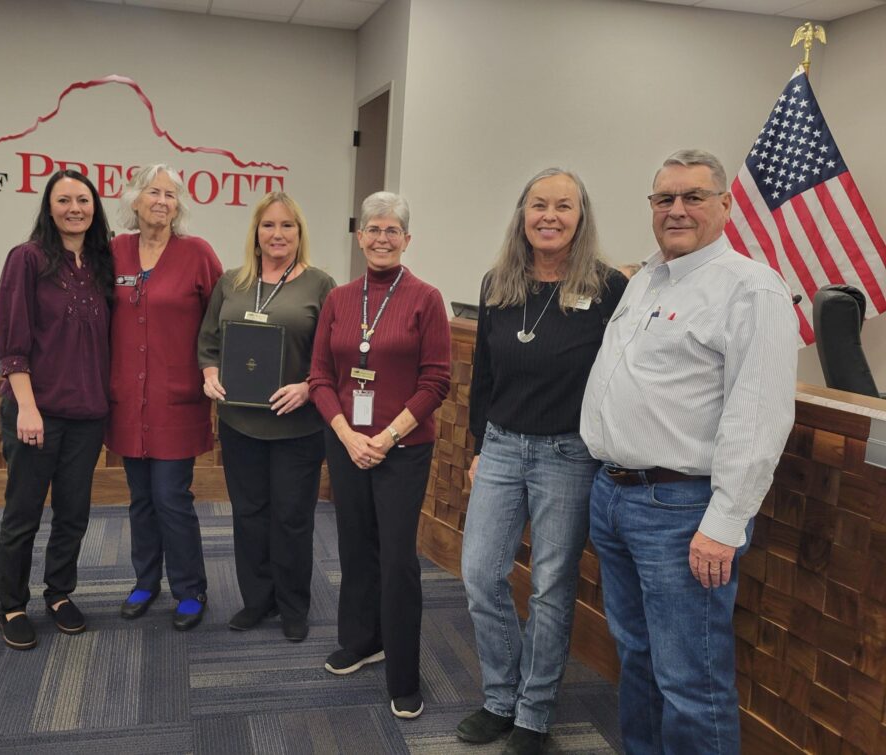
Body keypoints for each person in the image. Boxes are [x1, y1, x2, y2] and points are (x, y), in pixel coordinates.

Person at [581, 149, 797, 753]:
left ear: (725, 205)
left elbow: (759, 417)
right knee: (638, 658)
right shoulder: (646, 277)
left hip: (681, 511)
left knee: (690, 680)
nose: (676, 209)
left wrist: (725, 524)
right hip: (615, 496)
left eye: (693, 196)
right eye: (664, 198)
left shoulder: (751, 289)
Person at [457, 168, 628, 754]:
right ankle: (499, 698)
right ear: (522, 213)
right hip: (502, 446)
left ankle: (533, 712)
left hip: (568, 455)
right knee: (481, 575)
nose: (549, 216)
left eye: (563, 206)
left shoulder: (607, 288)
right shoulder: (498, 282)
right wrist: (479, 447)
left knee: (552, 586)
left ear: (581, 217)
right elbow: (483, 373)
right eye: (538, 204)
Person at [309, 191, 450, 720]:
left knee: (396, 559)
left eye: (393, 231)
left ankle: (404, 673)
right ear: (360, 236)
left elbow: (436, 381)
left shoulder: (425, 298)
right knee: (353, 545)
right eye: (373, 229)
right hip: (345, 444)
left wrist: (385, 438)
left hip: (404, 449)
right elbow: (321, 377)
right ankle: (362, 639)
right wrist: (347, 435)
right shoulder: (339, 299)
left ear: (407, 240)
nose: (382, 238)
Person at [197, 192, 335, 642]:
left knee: (292, 517)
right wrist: (211, 374)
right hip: (240, 424)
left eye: (287, 226)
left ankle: (294, 606)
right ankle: (257, 600)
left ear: (300, 234)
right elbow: (208, 342)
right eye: (269, 225)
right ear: (256, 233)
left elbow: (331, 354)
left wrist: (308, 386)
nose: (278, 234)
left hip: (297, 425)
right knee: (249, 514)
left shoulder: (320, 285)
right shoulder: (231, 283)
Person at [0, 169, 114, 650]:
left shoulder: (102, 263)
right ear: (48, 207)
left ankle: (60, 593)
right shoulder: (28, 259)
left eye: (82, 200)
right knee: (23, 512)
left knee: (73, 512)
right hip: (34, 410)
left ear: (94, 207)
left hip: (87, 412)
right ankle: (11, 604)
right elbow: (11, 342)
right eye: (63, 200)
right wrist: (27, 407)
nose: (74, 208)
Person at [107, 164, 223, 631]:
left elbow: (220, 320)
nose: (161, 201)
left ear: (179, 207)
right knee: (140, 497)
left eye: (170, 195)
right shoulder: (113, 250)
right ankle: (145, 580)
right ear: (133, 201)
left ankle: (190, 588)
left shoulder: (197, 253)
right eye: (152, 192)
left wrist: (215, 370)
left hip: (175, 399)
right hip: (127, 400)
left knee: (171, 496)